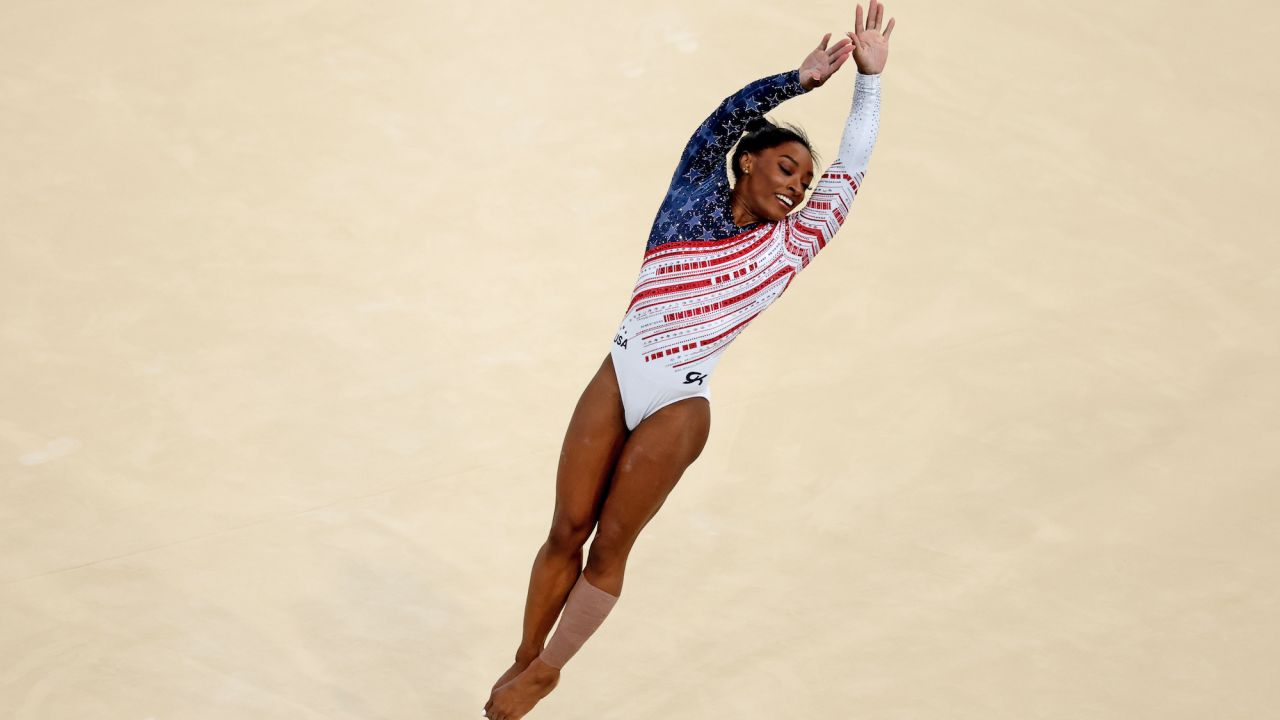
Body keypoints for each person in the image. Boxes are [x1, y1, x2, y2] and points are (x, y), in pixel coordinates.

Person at [485, 3, 895, 717]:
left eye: (804, 181)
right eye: (786, 167)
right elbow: (719, 120)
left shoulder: (793, 244)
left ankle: (550, 669)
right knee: (566, 530)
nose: (797, 186)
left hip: (678, 404)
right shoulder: (692, 196)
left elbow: (853, 165)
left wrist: (869, 84)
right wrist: (796, 80)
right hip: (617, 374)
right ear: (748, 162)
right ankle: (522, 659)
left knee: (610, 546)